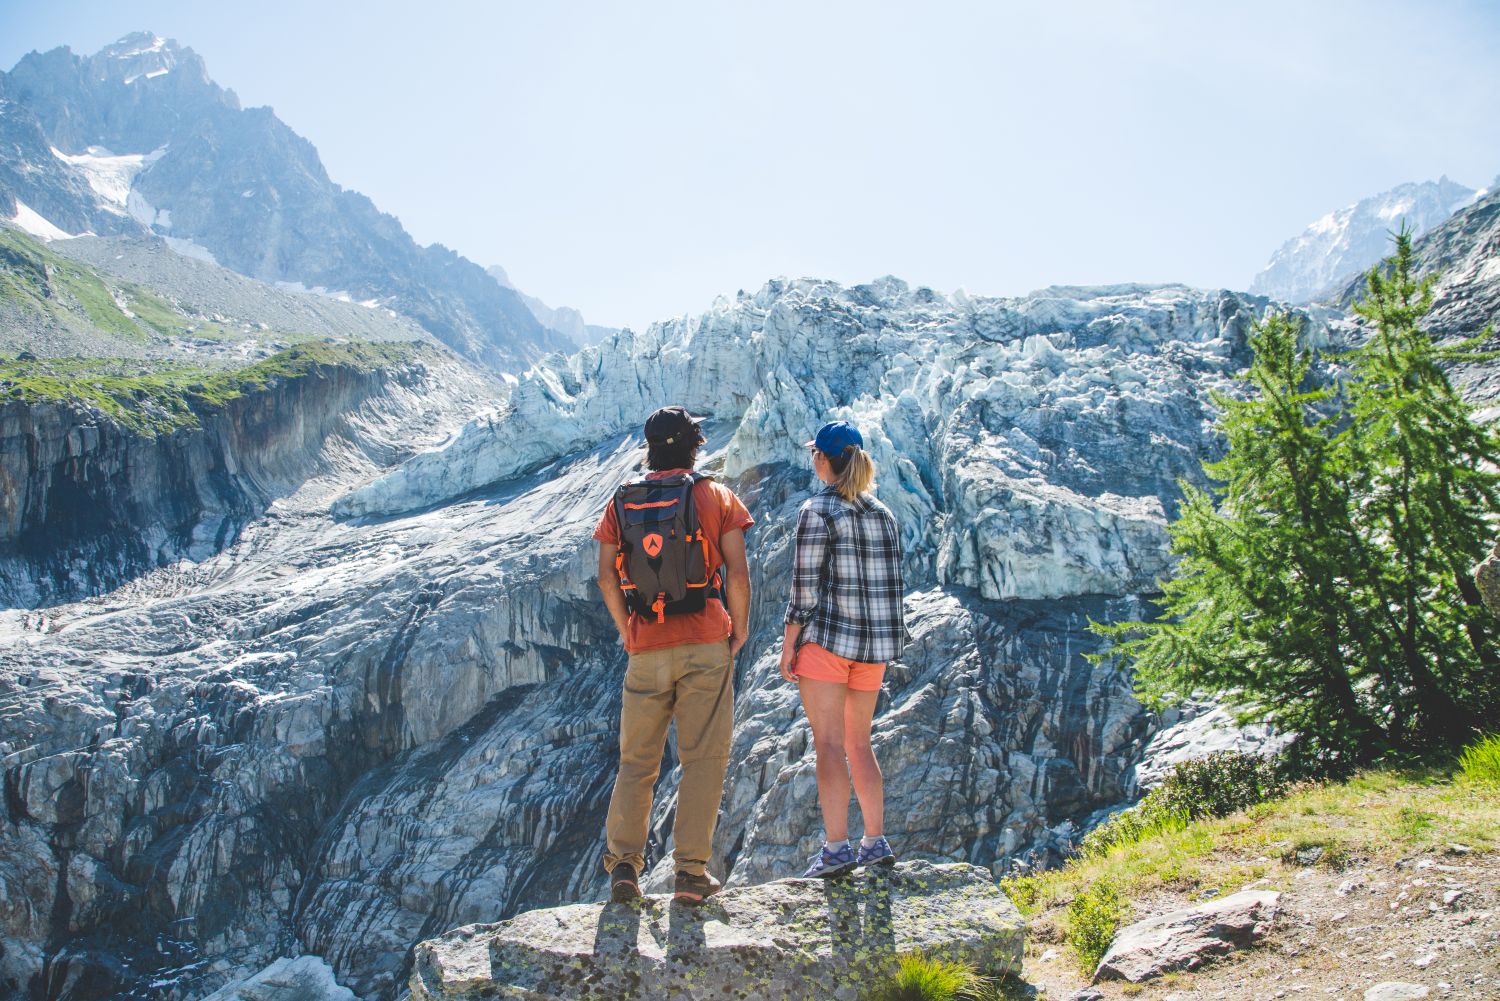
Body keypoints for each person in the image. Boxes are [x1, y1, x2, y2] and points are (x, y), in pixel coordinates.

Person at [594, 406, 753, 904]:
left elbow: (604, 576)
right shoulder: (715, 496)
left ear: (650, 448)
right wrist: (738, 631)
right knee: (703, 758)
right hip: (706, 640)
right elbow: (739, 572)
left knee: (636, 761)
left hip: (646, 645)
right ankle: (689, 873)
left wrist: (627, 631)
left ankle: (624, 866)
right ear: (694, 445)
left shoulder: (622, 501)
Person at [780, 420, 909, 878]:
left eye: (814, 452)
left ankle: (836, 850)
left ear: (823, 460)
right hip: (874, 650)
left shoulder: (816, 511)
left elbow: (804, 589)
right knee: (860, 743)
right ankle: (875, 841)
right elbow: (892, 587)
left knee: (829, 746)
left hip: (829, 643)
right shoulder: (885, 514)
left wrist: (789, 644)